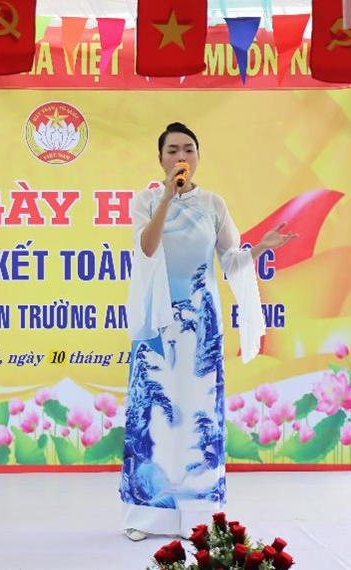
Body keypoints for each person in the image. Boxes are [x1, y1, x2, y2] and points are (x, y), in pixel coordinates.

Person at [120, 122, 297, 541]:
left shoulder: (213, 204)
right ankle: (145, 515)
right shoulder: (145, 201)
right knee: (153, 412)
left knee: (199, 413)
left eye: (188, 149)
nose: (181, 157)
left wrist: (261, 247)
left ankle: (199, 515)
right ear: (160, 158)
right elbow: (147, 248)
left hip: (200, 325)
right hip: (158, 327)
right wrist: (167, 196)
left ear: (198, 156)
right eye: (172, 150)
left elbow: (230, 261)